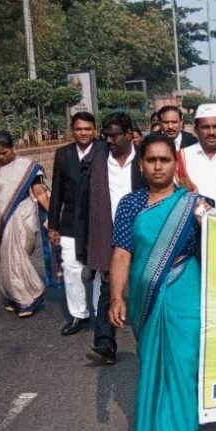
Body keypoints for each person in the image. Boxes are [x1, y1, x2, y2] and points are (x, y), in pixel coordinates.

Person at [107, 134, 213, 431]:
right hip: (145, 297)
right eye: (151, 160)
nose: (157, 166)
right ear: (141, 165)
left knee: (181, 368)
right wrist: (116, 297)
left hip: (185, 292)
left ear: (175, 164)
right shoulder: (130, 205)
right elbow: (122, 252)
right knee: (153, 367)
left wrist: (208, 220)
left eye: (164, 160)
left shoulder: (194, 204)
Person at [82, 112, 146, 365]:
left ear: (129, 134)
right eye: (105, 135)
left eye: (114, 135)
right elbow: (83, 202)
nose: (109, 140)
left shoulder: (145, 159)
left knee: (146, 287)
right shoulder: (95, 162)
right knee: (109, 288)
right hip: (110, 233)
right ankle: (105, 344)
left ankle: (153, 341)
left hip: (144, 231)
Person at [0, 131, 54, 319]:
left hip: (21, 215)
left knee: (18, 254)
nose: (1, 157)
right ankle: (17, 297)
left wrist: (54, 215)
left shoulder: (26, 167)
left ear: (13, 148)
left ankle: (28, 296)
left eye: (5, 152)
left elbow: (39, 192)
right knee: (8, 258)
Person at [50, 112, 106, 336]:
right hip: (71, 221)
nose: (83, 133)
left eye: (87, 129)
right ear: (72, 131)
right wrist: (53, 224)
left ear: (95, 130)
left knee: (101, 268)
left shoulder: (104, 150)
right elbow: (56, 190)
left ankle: (101, 312)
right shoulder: (63, 154)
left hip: (99, 219)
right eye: (79, 129)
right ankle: (79, 314)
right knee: (71, 267)